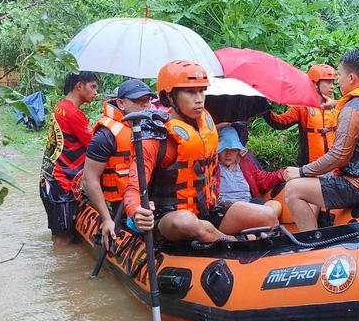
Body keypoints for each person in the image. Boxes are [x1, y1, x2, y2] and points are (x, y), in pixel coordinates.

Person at [124, 60, 278, 243]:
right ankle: (235, 243)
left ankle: (224, 240)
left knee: (267, 215)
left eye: (201, 91)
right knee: (187, 222)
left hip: (208, 211)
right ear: (169, 97)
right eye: (190, 92)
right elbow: (133, 188)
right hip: (170, 218)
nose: (199, 99)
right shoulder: (157, 137)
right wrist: (136, 211)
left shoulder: (206, 123)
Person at [282, 49, 359, 231]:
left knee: (293, 190)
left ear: (351, 78)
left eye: (340, 75)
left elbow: (339, 156)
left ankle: (312, 243)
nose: (338, 82)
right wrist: (335, 104)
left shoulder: (353, 108)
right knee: (317, 176)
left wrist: (302, 171)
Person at [82, 79, 155, 249]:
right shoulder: (105, 136)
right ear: (121, 103)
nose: (145, 106)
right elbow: (89, 179)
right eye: (138, 101)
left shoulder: (152, 129)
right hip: (118, 205)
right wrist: (107, 219)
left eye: (147, 100)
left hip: (142, 198)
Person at [40, 71, 99, 246]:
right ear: (79, 86)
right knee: (63, 238)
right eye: (93, 87)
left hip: (50, 179)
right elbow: (95, 146)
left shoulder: (60, 107)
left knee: (58, 234)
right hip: (63, 184)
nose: (95, 92)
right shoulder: (73, 114)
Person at [263, 64, 339, 166]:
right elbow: (280, 122)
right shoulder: (302, 107)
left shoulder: (337, 106)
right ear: (315, 84)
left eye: (333, 82)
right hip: (310, 167)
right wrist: (264, 110)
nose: (332, 86)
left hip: (333, 167)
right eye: (328, 82)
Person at [215, 127, 284, 217]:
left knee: (275, 205)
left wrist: (285, 174)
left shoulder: (245, 163)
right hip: (226, 206)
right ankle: (258, 223)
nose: (228, 154)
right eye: (224, 149)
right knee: (242, 210)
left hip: (249, 202)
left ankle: (257, 223)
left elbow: (263, 179)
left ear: (238, 151)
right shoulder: (211, 167)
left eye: (233, 149)